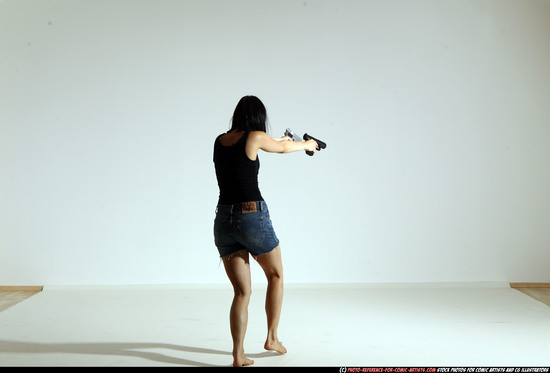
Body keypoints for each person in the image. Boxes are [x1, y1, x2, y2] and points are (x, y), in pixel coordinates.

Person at [213, 95, 318, 367]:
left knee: (241, 293)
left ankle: (238, 355)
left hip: (224, 220)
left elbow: (272, 144)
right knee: (276, 275)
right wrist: (307, 145)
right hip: (251, 216)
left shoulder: (220, 140)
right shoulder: (256, 137)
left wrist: (285, 140)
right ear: (258, 118)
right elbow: (279, 149)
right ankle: (272, 337)